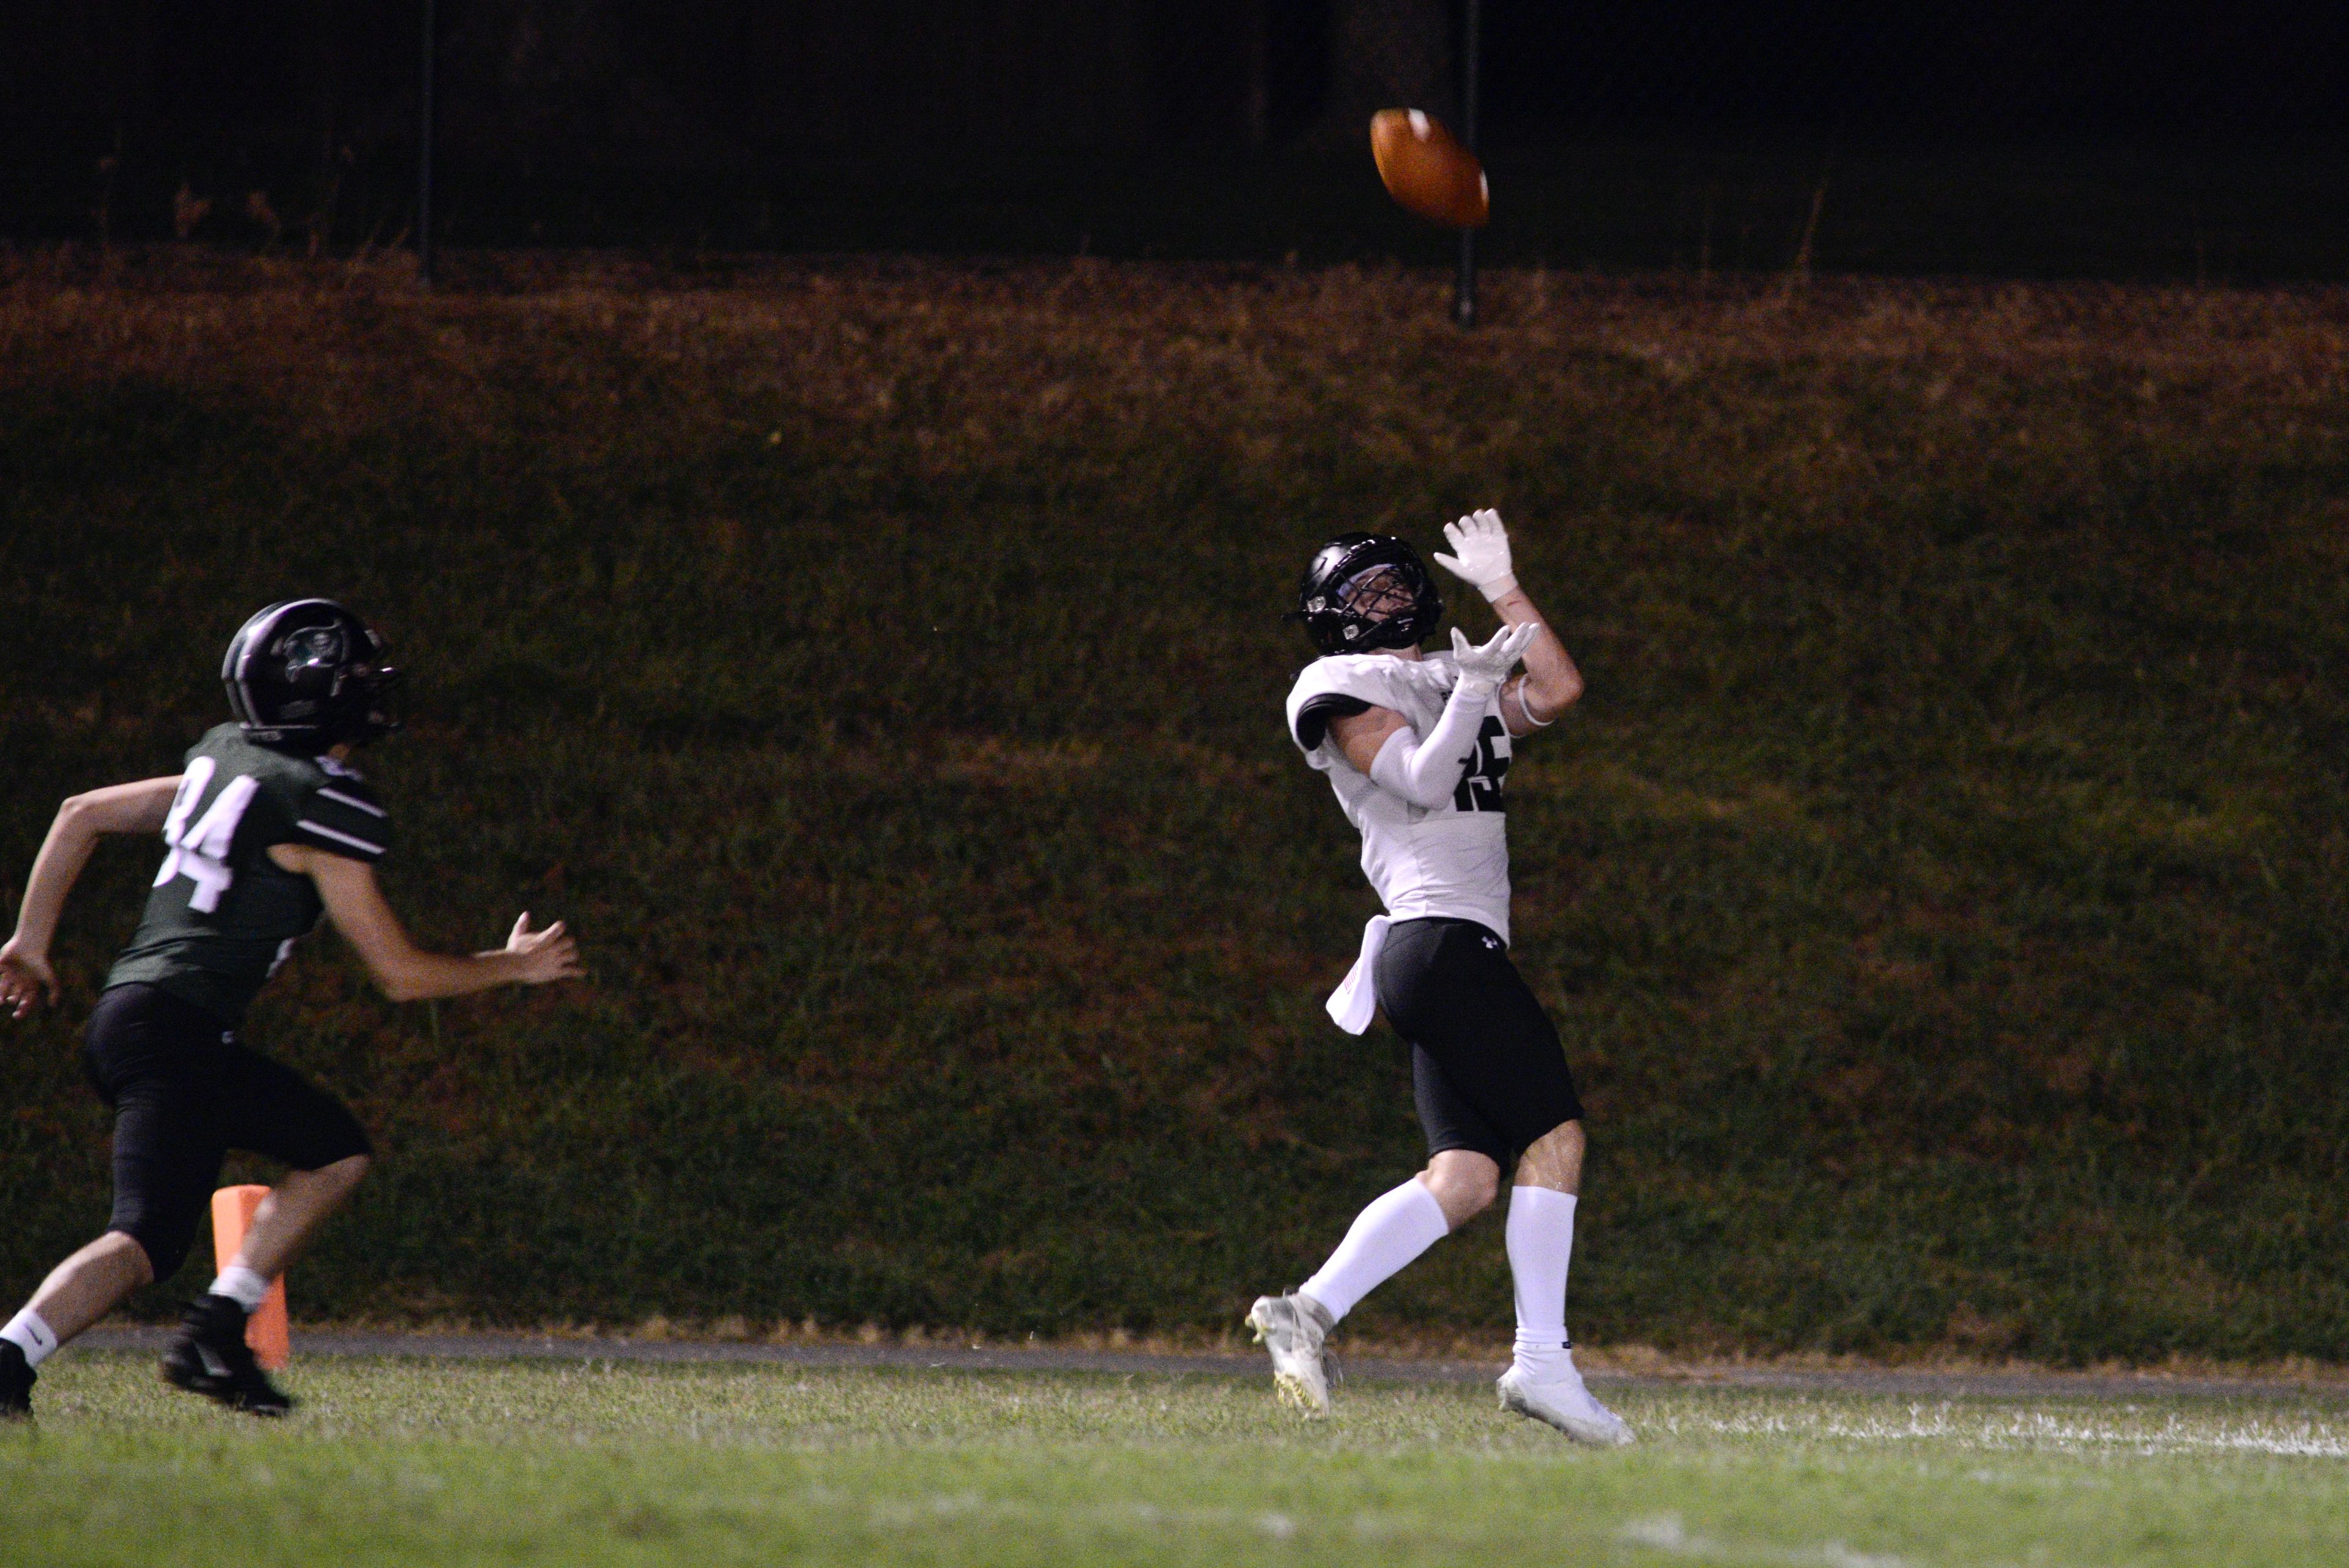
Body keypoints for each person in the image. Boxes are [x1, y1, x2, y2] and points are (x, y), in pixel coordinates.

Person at [0, 600, 581, 1419]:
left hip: (141, 1017)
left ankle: (217, 1327)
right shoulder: (319, 802)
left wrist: (30, 940)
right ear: (323, 697)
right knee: (144, 1240)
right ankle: (26, 1355)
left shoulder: (228, 760)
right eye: (357, 678)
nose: (374, 691)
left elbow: (80, 814)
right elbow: (400, 974)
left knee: (332, 1150)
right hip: (178, 1030)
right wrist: (510, 968)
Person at [1248, 510, 1631, 1444]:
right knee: (1556, 1136)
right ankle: (1543, 1364)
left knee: (1464, 1177)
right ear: (1329, 616)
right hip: (1436, 939)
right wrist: (1465, 689)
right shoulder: (1338, 683)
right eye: (1362, 594)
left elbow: (1559, 686)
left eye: (1392, 585)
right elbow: (1420, 778)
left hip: (1448, 949)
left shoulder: (1443, 671)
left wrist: (1504, 588)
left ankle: (1306, 1311)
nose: (1384, 605)